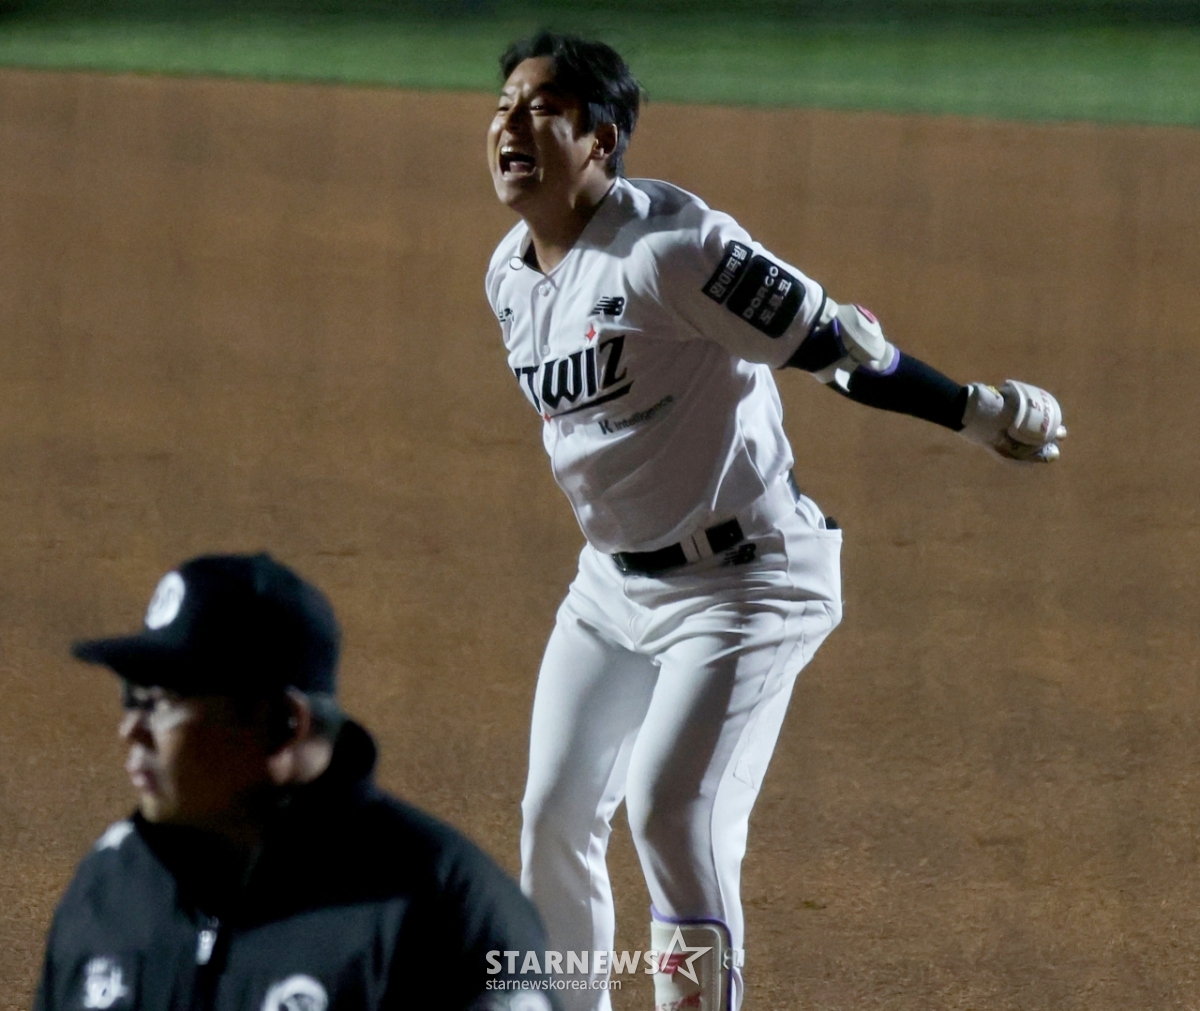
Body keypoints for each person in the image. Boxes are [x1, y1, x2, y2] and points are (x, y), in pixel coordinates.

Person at [484, 31, 1066, 1011]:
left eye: (542, 108)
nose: (510, 125)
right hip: (609, 589)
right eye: (503, 106)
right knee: (552, 814)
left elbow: (836, 344)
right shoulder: (507, 273)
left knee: (671, 814)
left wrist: (978, 411)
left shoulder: (677, 247)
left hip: (744, 581)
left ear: (601, 139)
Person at [35, 553, 556, 1011]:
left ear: (284, 726)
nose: (131, 730)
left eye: (163, 702)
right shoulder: (111, 888)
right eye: (132, 696)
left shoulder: (441, 915)